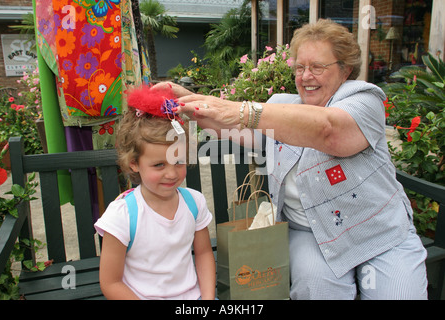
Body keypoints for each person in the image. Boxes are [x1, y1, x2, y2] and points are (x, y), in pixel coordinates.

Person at [155, 19, 428, 299]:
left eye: (317, 67)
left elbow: (328, 130)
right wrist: (190, 102)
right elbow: (235, 130)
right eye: (300, 67)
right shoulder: (281, 106)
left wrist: (244, 110)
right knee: (316, 289)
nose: (306, 76)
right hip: (310, 234)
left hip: (379, 232)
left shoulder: (363, 100)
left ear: (345, 69)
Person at [94, 85, 216, 300]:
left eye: (178, 162)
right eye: (159, 165)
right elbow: (111, 282)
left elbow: (204, 253)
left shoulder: (194, 203)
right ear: (134, 164)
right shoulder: (123, 215)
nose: (171, 174)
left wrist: (207, 299)